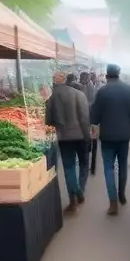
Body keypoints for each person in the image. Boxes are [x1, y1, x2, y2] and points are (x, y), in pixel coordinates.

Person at [89, 64, 130, 216]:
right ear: (119, 74)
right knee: (123, 165)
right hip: (124, 136)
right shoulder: (128, 90)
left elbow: (94, 115)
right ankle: (122, 195)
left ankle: (113, 202)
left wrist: (94, 126)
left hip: (107, 137)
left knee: (108, 168)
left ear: (106, 75)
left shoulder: (102, 92)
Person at [46, 72, 91, 213]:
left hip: (64, 137)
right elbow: (84, 119)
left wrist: (60, 124)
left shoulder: (51, 98)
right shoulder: (79, 95)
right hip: (81, 136)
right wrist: (88, 137)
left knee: (69, 168)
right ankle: (80, 190)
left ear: (54, 82)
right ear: (66, 80)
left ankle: (74, 199)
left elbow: (48, 121)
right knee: (84, 165)